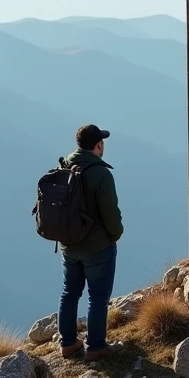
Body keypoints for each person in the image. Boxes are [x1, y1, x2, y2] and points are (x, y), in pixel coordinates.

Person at [58, 124, 124, 362]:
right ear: (98, 145)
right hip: (97, 248)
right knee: (97, 297)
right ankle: (95, 347)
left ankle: (68, 344)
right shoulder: (101, 174)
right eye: (102, 142)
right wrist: (116, 235)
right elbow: (110, 214)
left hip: (68, 244)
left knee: (69, 293)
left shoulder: (64, 166)